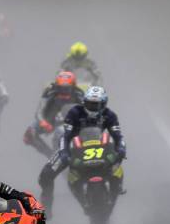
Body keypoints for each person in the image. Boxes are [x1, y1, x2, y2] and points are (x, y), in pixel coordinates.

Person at [38, 86, 126, 215]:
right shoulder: (74, 113)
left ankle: (116, 190)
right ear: (84, 102)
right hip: (74, 146)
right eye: (90, 104)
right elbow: (66, 135)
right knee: (45, 175)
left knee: (117, 163)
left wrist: (121, 148)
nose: (93, 108)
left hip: (100, 145)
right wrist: (63, 152)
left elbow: (118, 135)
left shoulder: (110, 115)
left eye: (97, 105)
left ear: (104, 103)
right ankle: (46, 209)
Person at [23, 71, 84, 158]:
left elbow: (88, 110)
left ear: (73, 86)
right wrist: (43, 122)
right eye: (61, 88)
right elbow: (38, 112)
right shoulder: (49, 92)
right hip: (51, 119)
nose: (64, 92)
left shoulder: (79, 93)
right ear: (56, 86)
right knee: (29, 134)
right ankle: (51, 156)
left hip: (72, 120)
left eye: (67, 89)